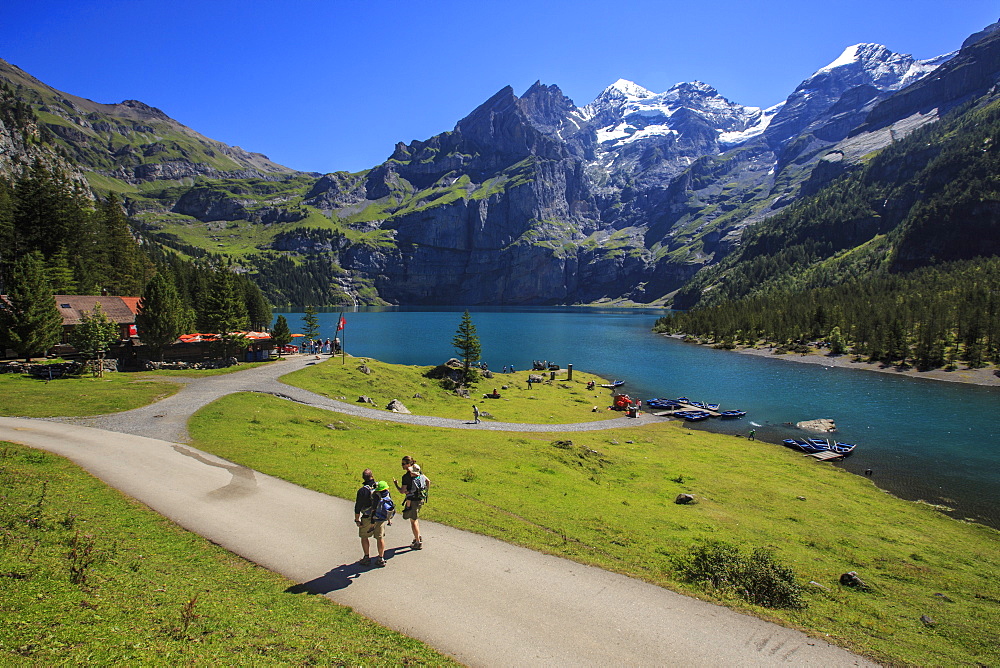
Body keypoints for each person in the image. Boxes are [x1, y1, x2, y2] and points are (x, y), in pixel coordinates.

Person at [393, 456, 426, 550]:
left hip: (412, 501)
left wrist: (396, 485)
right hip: (420, 499)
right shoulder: (419, 472)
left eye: (403, 464)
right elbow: (427, 481)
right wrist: (424, 491)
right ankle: (418, 536)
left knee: (413, 521)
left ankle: (418, 542)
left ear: (409, 464)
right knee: (415, 519)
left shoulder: (406, 477)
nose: (402, 466)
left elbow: (402, 491)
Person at [353, 468, 381, 566]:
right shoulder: (380, 487)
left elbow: (358, 507)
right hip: (379, 516)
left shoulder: (362, 491)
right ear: (372, 476)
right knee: (379, 537)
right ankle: (381, 558)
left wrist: (357, 519)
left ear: (363, 478)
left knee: (364, 536)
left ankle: (366, 557)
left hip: (367, 516)